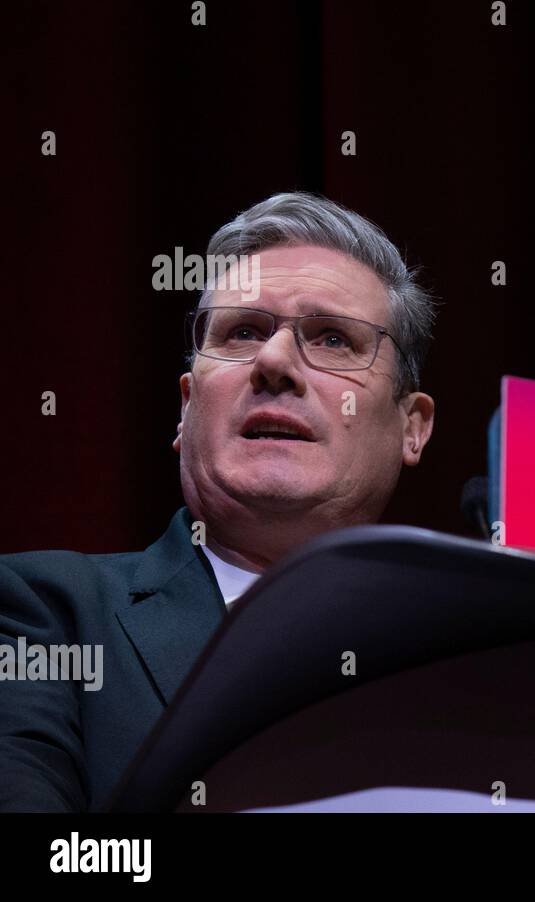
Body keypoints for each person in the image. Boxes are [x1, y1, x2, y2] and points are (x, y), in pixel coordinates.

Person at [0, 192, 437, 811]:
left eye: (334, 339)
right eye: (243, 333)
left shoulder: (489, 652)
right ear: (186, 409)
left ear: (411, 426)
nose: (274, 362)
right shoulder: (43, 616)